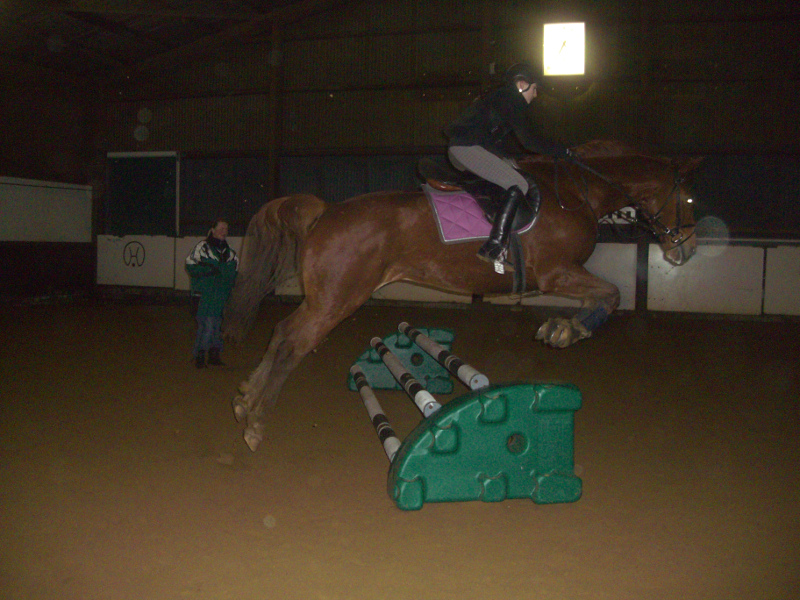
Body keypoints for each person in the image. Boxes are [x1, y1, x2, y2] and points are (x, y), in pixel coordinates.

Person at [445, 62, 576, 271]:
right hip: (467, 148)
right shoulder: (510, 98)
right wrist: (562, 151)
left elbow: (500, 141)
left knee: (514, 171)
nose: (536, 95)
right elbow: (529, 140)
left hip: (470, 147)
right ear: (522, 84)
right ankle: (494, 246)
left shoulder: (500, 99)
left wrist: (512, 159)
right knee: (518, 184)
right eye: (535, 89)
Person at [185, 219, 239, 368]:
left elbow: (234, 274)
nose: (223, 231)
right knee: (208, 327)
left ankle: (214, 355)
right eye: (221, 228)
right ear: (212, 230)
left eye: (226, 229)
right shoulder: (202, 248)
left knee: (218, 327)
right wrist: (209, 270)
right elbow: (190, 266)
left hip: (222, 297)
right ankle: (200, 356)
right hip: (205, 296)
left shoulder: (231, 254)